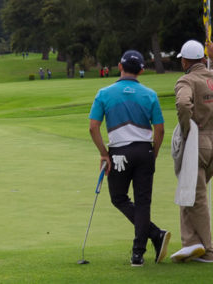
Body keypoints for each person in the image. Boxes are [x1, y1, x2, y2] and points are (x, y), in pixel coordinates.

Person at [89, 50, 170, 266]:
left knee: (119, 198)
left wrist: (103, 153)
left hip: (119, 153)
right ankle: (139, 253)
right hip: (145, 151)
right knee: (143, 202)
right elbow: (160, 130)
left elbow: (93, 127)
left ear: (119, 66)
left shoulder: (104, 93)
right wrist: (155, 151)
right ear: (142, 70)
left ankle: (155, 235)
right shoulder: (150, 94)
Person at [170, 40, 213, 263]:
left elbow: (184, 104)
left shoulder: (187, 79)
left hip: (199, 140)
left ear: (185, 60)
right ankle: (190, 242)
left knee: (196, 196)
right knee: (189, 189)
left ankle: (208, 250)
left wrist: (187, 129)